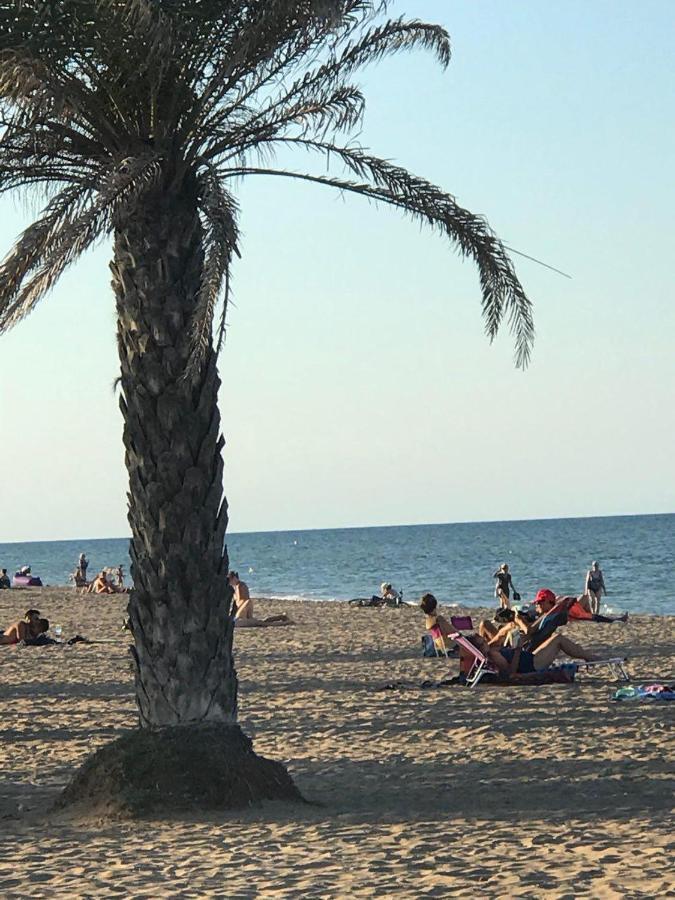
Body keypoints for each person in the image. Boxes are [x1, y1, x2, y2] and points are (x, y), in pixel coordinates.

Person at [463, 629, 601, 677]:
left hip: (530, 658)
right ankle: (589, 657)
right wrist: (517, 649)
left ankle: (587, 656)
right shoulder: (492, 656)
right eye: (482, 643)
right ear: (478, 648)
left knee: (556, 639)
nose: (486, 643)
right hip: (532, 664)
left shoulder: (490, 653)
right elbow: (511, 672)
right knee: (558, 639)